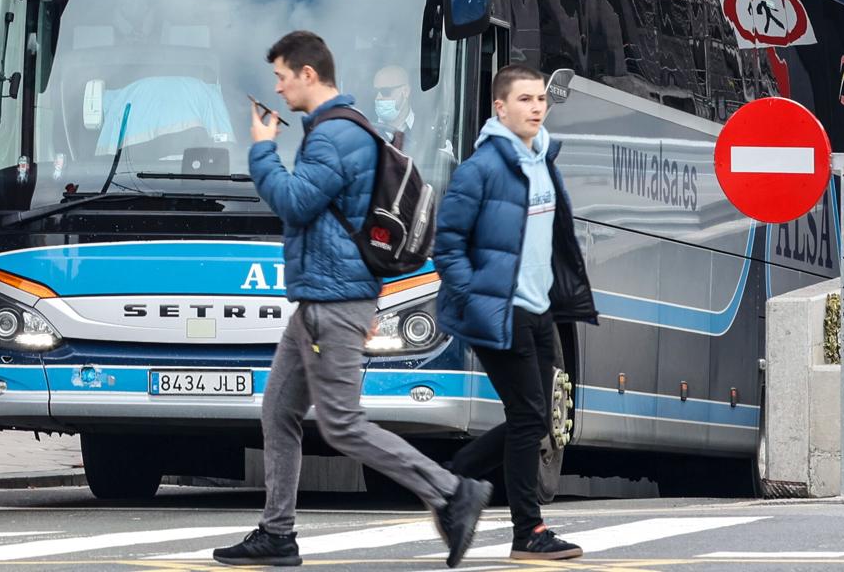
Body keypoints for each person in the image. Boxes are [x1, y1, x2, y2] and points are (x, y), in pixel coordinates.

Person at [213, 31, 491, 569]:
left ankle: (451, 491)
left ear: (308, 74)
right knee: (279, 411)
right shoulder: (345, 130)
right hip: (323, 299)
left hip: (332, 302)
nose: (278, 86)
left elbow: (295, 203)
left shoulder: (333, 137)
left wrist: (262, 149)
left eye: (282, 76)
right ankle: (277, 534)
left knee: (341, 422)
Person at [433, 64, 599, 561]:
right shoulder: (480, 169)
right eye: (524, 100)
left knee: (536, 416)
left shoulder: (544, 159)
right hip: (499, 311)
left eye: (540, 100)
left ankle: (453, 480)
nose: (535, 108)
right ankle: (528, 531)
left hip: (539, 309)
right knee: (529, 418)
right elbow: (447, 246)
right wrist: (474, 299)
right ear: (499, 108)